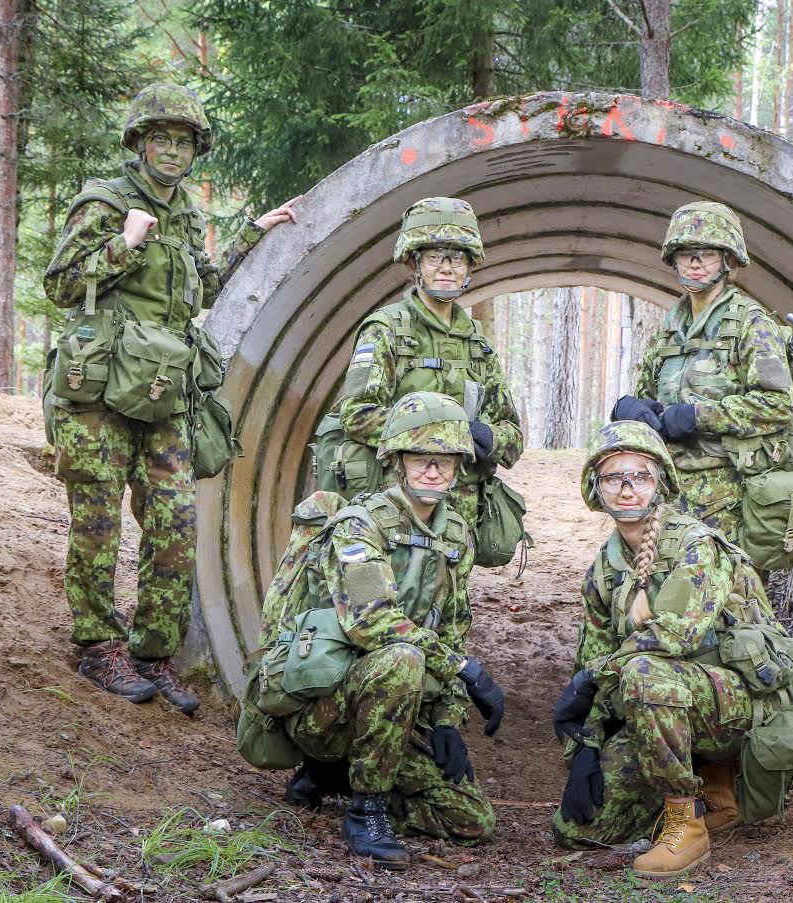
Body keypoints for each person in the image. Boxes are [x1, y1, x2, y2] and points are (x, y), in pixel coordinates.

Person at [43, 83, 300, 712]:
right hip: (100, 391)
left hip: (163, 392)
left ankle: (152, 653)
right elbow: (60, 285)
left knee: (177, 522)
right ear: (138, 142)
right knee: (98, 522)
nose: (171, 151)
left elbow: (207, 287)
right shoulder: (104, 203)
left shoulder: (186, 215)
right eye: (160, 138)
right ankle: (96, 643)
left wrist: (252, 234)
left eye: (183, 142)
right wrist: (122, 243)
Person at [282, 392, 505, 868]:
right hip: (326, 704)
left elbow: (452, 626)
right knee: (402, 658)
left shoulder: (455, 536)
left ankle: (340, 775)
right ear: (396, 461)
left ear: (458, 468)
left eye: (444, 461)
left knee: (472, 821)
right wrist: (464, 670)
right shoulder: (360, 527)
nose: (432, 471)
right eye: (420, 459)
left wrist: (446, 716)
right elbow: (372, 621)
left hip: (390, 708)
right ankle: (366, 811)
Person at [549, 421, 762, 878]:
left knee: (645, 671)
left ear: (660, 483)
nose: (627, 489)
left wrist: (594, 678)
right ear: (596, 489)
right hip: (665, 705)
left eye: (640, 476)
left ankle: (689, 821)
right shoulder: (604, 573)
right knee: (581, 828)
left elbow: (673, 637)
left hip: (734, 709)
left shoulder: (696, 545)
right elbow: (592, 662)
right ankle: (713, 797)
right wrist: (586, 747)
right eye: (613, 478)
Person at [611, 202, 793, 608]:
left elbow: (777, 404)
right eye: (687, 254)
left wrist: (701, 416)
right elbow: (650, 389)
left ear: (728, 259)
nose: (696, 263)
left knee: (728, 603)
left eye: (707, 253)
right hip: (669, 489)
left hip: (729, 492)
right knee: (665, 595)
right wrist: (636, 409)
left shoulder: (750, 322)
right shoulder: (671, 326)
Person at [326, 197, 522, 531]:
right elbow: (357, 414)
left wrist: (488, 437)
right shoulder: (386, 330)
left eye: (457, 257)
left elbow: (512, 435)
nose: (446, 267)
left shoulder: (477, 345)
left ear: (469, 266)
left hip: (457, 516)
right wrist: (443, 435)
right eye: (434, 257)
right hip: (392, 508)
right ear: (415, 263)